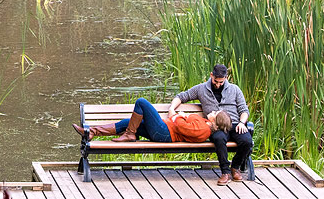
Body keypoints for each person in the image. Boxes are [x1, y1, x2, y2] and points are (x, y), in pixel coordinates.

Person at [169, 63, 252, 185]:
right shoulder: (201, 89)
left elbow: (244, 110)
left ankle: (235, 167)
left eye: (221, 82)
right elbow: (182, 96)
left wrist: (242, 122)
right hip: (217, 126)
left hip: (235, 123)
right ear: (211, 75)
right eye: (215, 81)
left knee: (247, 141)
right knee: (219, 138)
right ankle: (225, 172)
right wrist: (172, 108)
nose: (218, 85)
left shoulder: (234, 89)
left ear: (226, 78)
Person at [74, 98, 230, 145]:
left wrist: (179, 115)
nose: (213, 112)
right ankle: (91, 132)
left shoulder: (203, 130)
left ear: (216, 121)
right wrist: (182, 116)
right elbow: (183, 123)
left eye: (215, 113)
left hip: (164, 133)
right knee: (129, 122)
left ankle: (130, 134)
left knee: (141, 102)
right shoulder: (203, 123)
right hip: (164, 130)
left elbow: (180, 126)